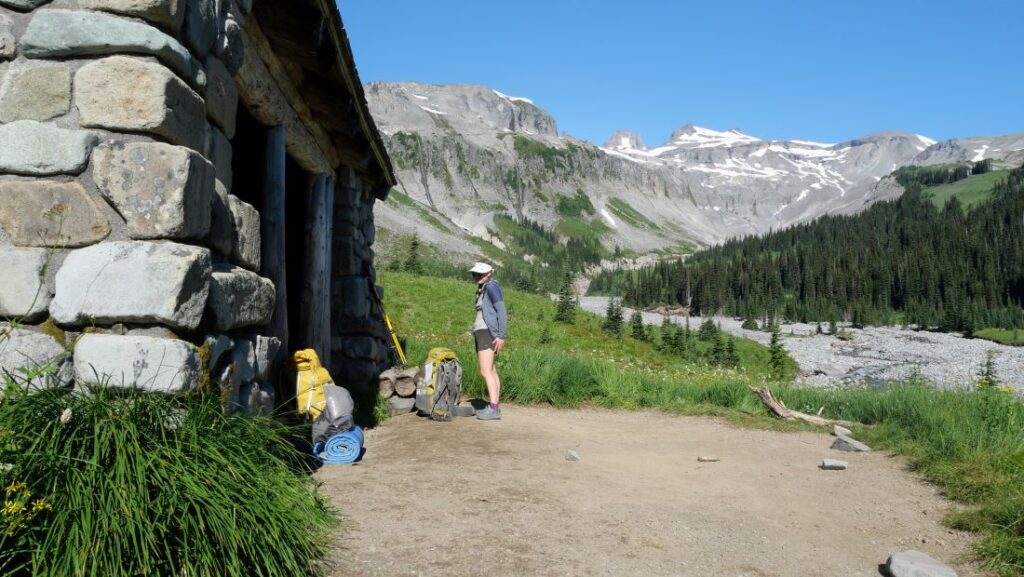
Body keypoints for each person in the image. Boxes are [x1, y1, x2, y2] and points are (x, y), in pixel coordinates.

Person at [469, 262, 506, 420]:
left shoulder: (491, 287)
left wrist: (501, 335)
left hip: (486, 333)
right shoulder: (485, 288)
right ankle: (495, 405)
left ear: (489, 274)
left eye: (479, 274)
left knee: (485, 371)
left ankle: (493, 409)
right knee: (491, 370)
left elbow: (502, 311)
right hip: (486, 332)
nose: (476, 277)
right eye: (475, 274)